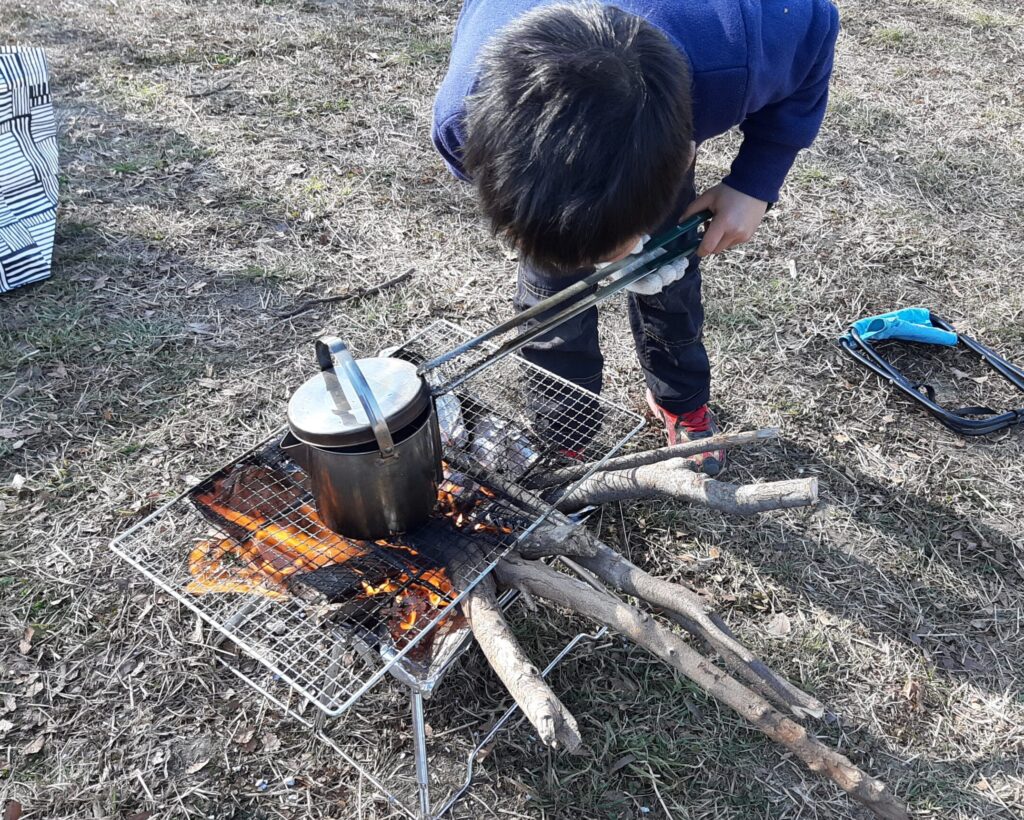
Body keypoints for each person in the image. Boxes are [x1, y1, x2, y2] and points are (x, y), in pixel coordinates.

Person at [432, 0, 840, 475]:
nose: (609, 264)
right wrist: (556, 236)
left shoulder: (742, 45)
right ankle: (566, 432)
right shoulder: (461, 123)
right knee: (554, 297)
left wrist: (756, 182)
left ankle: (680, 399)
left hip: (666, 99)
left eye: (618, 246)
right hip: (538, 109)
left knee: (669, 274)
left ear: (683, 153)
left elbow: (815, 32)